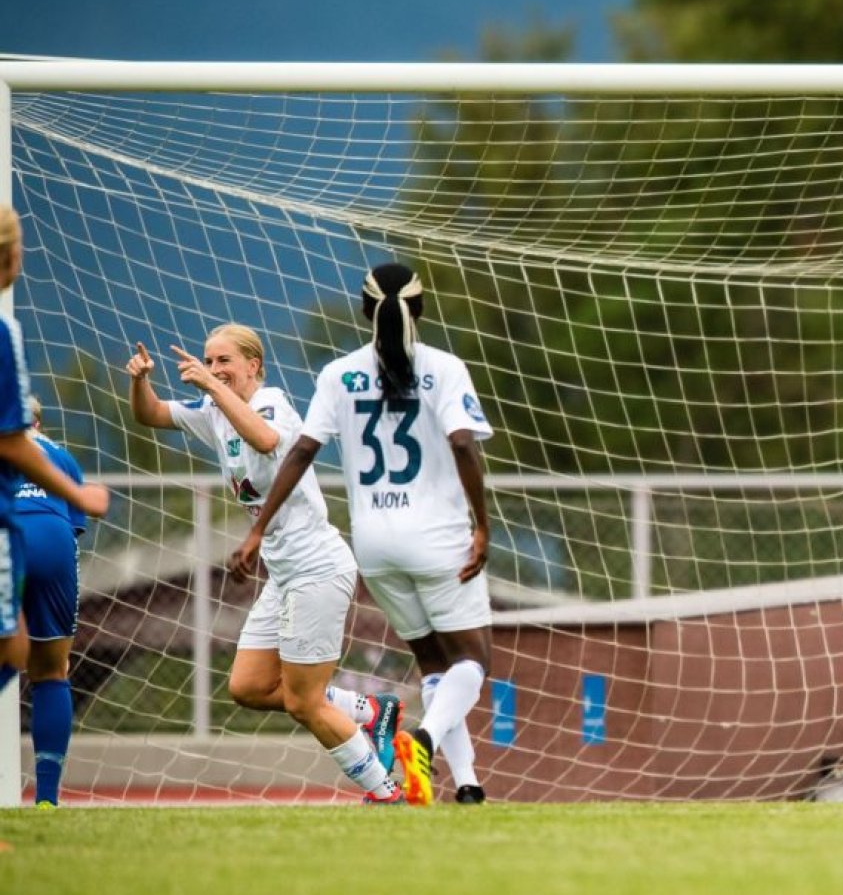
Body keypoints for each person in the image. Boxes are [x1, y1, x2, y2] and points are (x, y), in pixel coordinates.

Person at [227, 263, 494, 807]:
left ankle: (466, 785)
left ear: (365, 311)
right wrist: (482, 525)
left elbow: (301, 451)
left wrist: (257, 529)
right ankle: (423, 737)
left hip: (372, 542)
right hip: (437, 537)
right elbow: (464, 445)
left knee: (433, 663)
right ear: (418, 310)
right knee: (473, 659)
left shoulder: (338, 374)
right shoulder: (443, 368)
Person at [125, 323, 405, 805]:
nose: (213, 370)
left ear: (253, 365)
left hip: (317, 567)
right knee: (248, 687)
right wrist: (140, 379)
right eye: (209, 361)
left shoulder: (271, 403)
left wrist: (212, 387)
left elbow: (265, 439)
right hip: (284, 576)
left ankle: (386, 792)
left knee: (303, 702)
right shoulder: (214, 411)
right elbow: (150, 414)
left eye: (224, 361)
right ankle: (369, 709)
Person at [0, 206, 111, 702]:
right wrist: (78, 495)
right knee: (24, 654)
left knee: (16, 648)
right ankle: (48, 785)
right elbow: (11, 440)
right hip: (15, 531)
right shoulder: (4, 335)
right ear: (10, 256)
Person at [14, 397, 90, 807]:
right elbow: (74, 527)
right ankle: (46, 799)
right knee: (51, 670)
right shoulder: (61, 457)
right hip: (53, 540)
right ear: (38, 422)